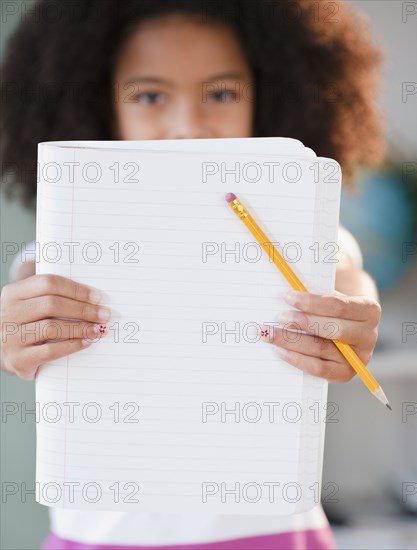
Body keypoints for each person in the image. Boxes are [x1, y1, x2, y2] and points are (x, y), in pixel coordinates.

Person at [0, 1, 385, 548]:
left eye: (222, 94)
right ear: (101, 107)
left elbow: (346, 276)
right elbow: (28, 291)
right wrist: (16, 333)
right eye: (151, 96)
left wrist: (353, 317)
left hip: (274, 533)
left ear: (271, 99)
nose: (188, 127)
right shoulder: (68, 243)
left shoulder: (298, 232)